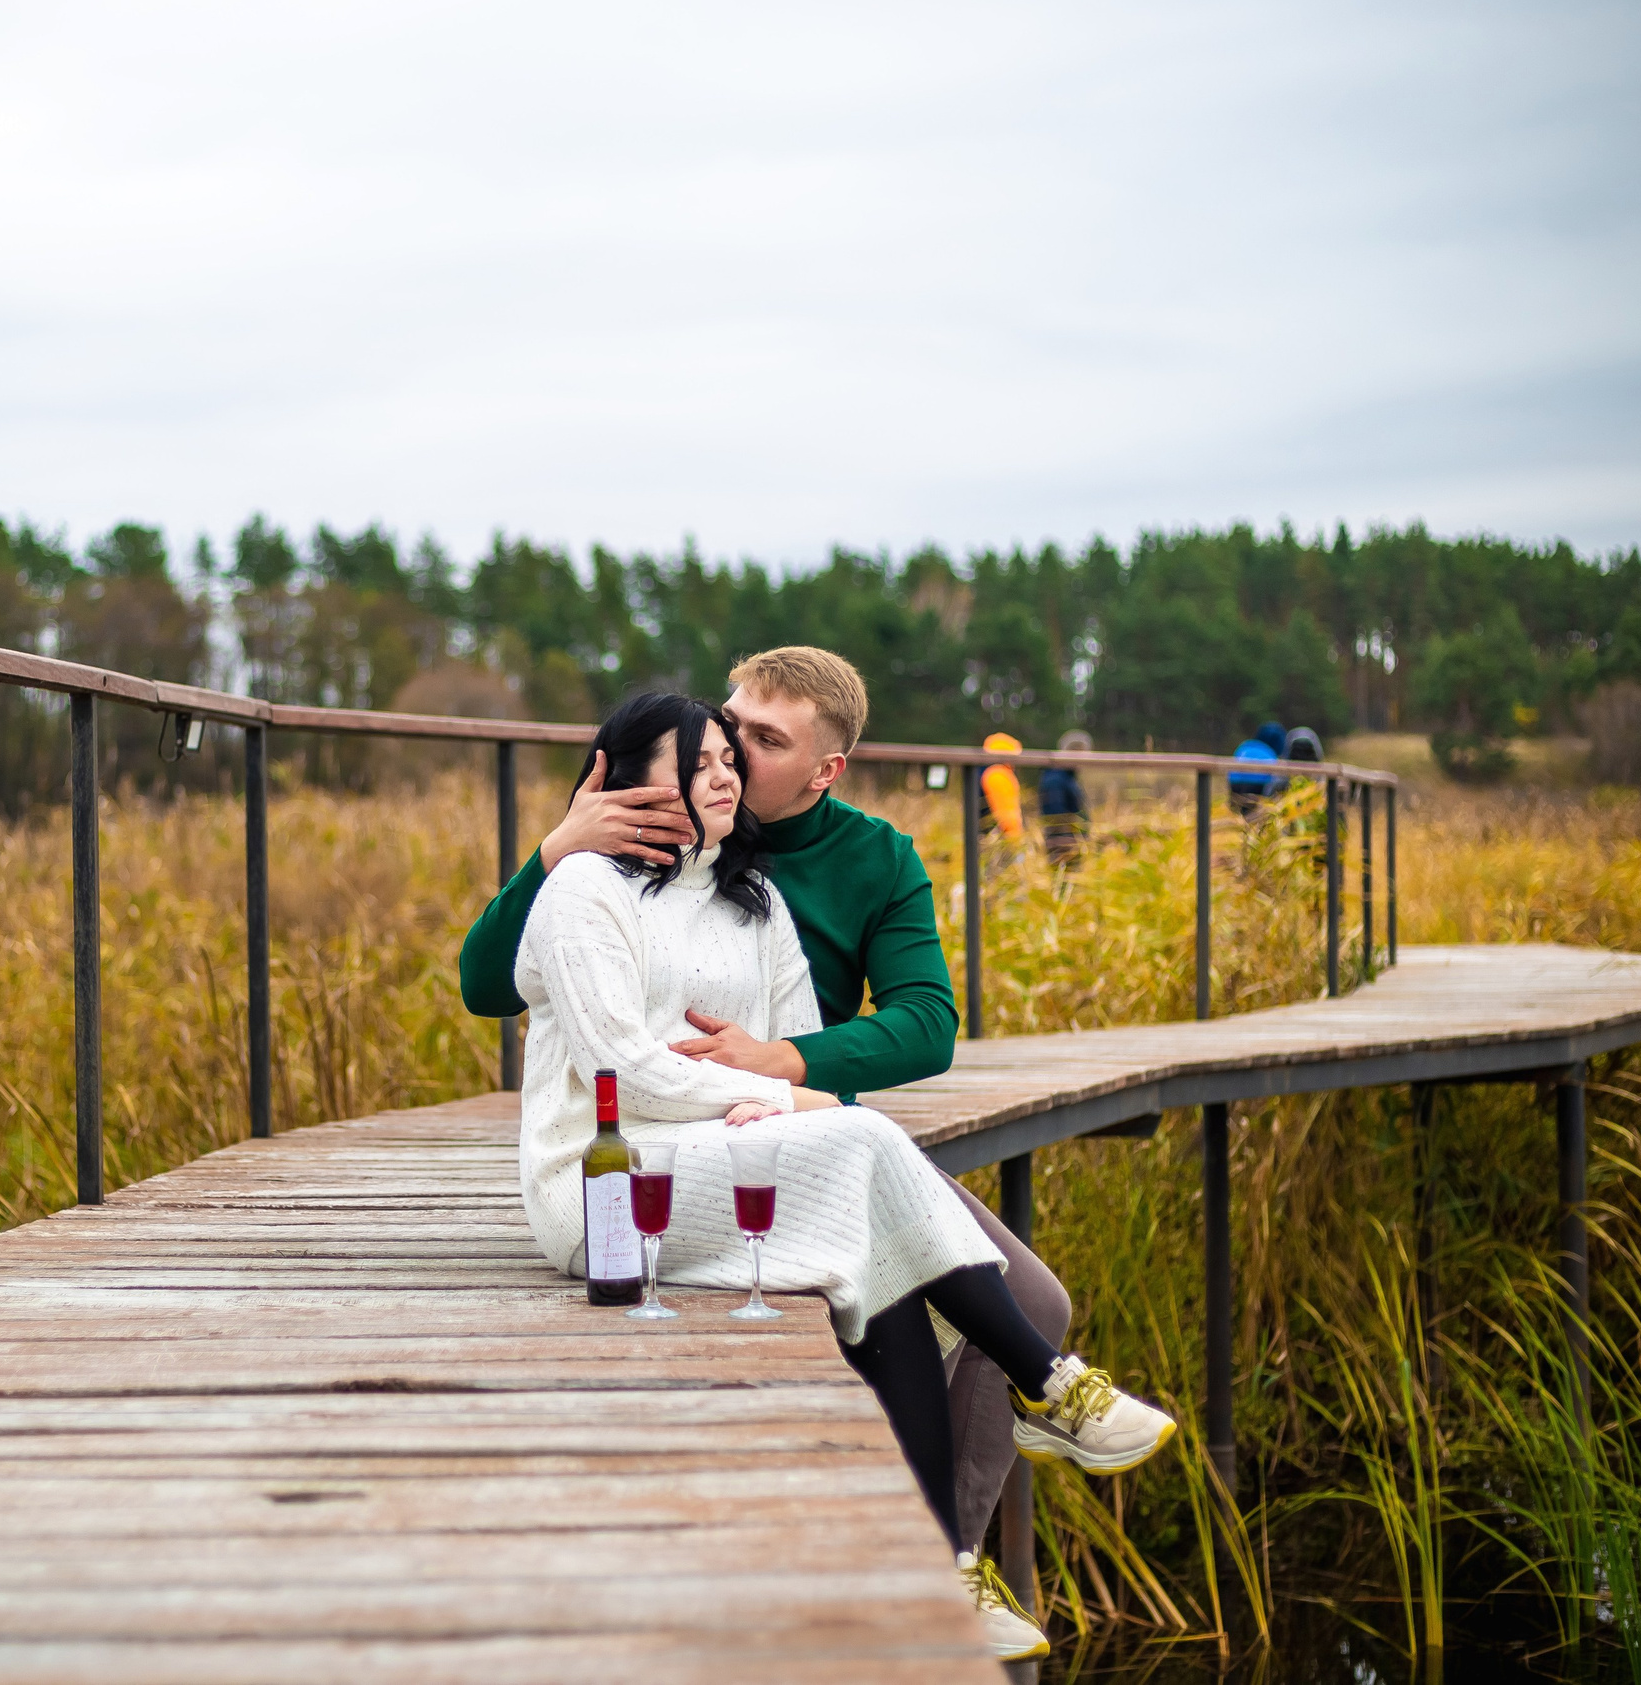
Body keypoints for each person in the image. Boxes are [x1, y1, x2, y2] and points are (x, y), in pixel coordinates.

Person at [463, 650, 1176, 1659]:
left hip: (785, 1126)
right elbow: (499, 984)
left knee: (1014, 1286)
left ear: (823, 769)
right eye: (719, 735)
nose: (732, 760)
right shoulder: (605, 859)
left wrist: (785, 1069)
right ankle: (1028, 1425)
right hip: (722, 1139)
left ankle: (948, 1560)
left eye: (755, 742)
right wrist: (554, 847)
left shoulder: (844, 866)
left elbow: (927, 1024)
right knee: (882, 1201)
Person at [1038, 730, 1092, 868]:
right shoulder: (1056, 780)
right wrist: (1069, 843)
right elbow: (1056, 817)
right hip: (1064, 847)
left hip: (1071, 844)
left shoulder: (1068, 778)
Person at [1227, 719, 1286, 818]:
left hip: (1236, 784)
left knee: (1239, 811)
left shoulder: (1245, 746)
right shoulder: (1271, 753)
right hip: (1260, 786)